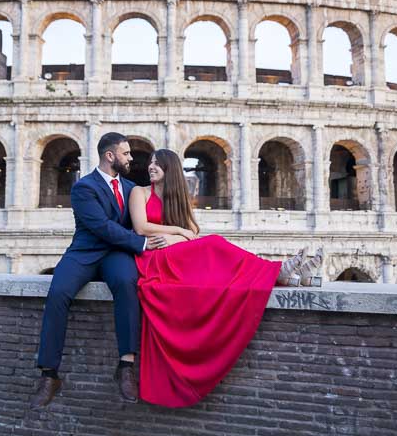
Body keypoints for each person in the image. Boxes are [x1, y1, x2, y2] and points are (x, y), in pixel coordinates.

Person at [128, 148, 322, 408]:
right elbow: (141, 227)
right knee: (215, 246)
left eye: (157, 164)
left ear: (169, 169)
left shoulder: (177, 197)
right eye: (150, 163)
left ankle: (282, 274)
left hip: (172, 254)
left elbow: (193, 231)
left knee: (216, 254)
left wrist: (177, 236)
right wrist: (178, 231)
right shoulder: (138, 193)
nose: (151, 167)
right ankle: (279, 271)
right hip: (149, 258)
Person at [31, 132, 172, 409]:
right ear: (110, 156)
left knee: (127, 284)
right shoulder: (84, 187)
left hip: (116, 255)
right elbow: (101, 227)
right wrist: (142, 243)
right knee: (58, 293)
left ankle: (125, 366)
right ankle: (49, 374)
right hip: (85, 252)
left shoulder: (132, 188)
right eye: (126, 153)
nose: (132, 158)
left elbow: (152, 211)